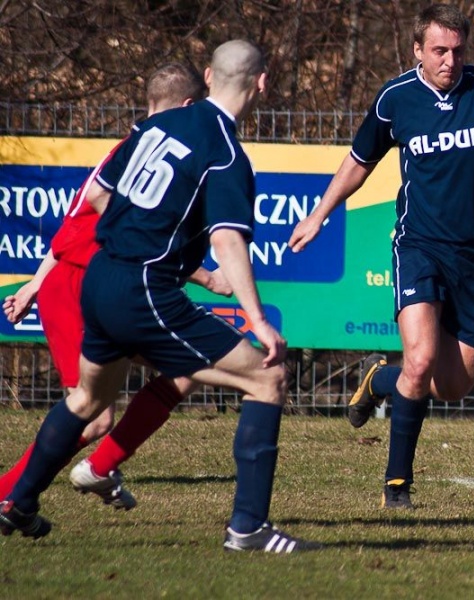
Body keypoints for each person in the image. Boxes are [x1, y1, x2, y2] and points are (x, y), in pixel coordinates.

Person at [0, 39, 314, 554]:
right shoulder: (226, 152)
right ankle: (249, 528)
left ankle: (17, 501)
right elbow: (227, 240)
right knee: (267, 378)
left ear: (208, 77)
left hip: (101, 276)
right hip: (143, 289)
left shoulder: (156, 125)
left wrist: (145, 231)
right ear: (262, 83)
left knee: (87, 400)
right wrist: (257, 319)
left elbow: (98, 194)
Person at [288, 4, 474, 508]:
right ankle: (397, 486)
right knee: (421, 358)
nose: (450, 61)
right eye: (438, 51)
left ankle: (379, 378)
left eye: (457, 50)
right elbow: (359, 161)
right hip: (420, 246)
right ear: (417, 50)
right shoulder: (395, 99)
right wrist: (319, 214)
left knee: (452, 385)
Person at [0, 63, 222, 510]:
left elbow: (81, 222)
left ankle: (96, 468)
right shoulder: (145, 151)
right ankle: (12, 493)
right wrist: (208, 276)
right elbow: (125, 233)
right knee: (95, 415)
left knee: (189, 367)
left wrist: (35, 284)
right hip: (83, 285)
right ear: (187, 106)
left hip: (93, 281)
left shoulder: (139, 147)